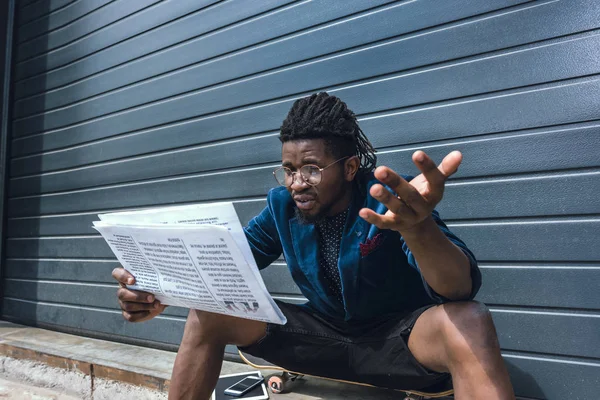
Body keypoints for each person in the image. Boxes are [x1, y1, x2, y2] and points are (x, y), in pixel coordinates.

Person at [112, 93, 515, 399]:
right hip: (322, 338)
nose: (296, 183)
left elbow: (459, 289)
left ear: (350, 167)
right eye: (288, 170)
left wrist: (420, 229)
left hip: (398, 343)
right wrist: (156, 289)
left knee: (469, 319)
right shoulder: (283, 206)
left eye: (310, 169)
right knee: (209, 312)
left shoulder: (392, 200)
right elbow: (226, 267)